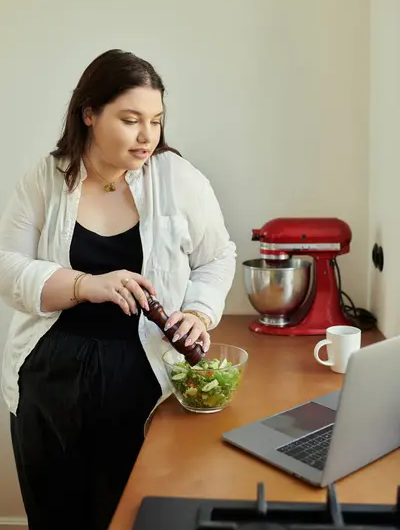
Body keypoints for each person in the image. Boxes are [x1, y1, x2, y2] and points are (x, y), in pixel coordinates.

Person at [0, 49, 236, 530]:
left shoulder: (179, 179)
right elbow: (7, 268)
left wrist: (199, 313)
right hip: (50, 377)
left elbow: (218, 256)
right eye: (130, 120)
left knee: (132, 517)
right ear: (89, 113)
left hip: (142, 377)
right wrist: (87, 285)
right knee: (56, 516)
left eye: (156, 120)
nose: (147, 135)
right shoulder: (45, 179)